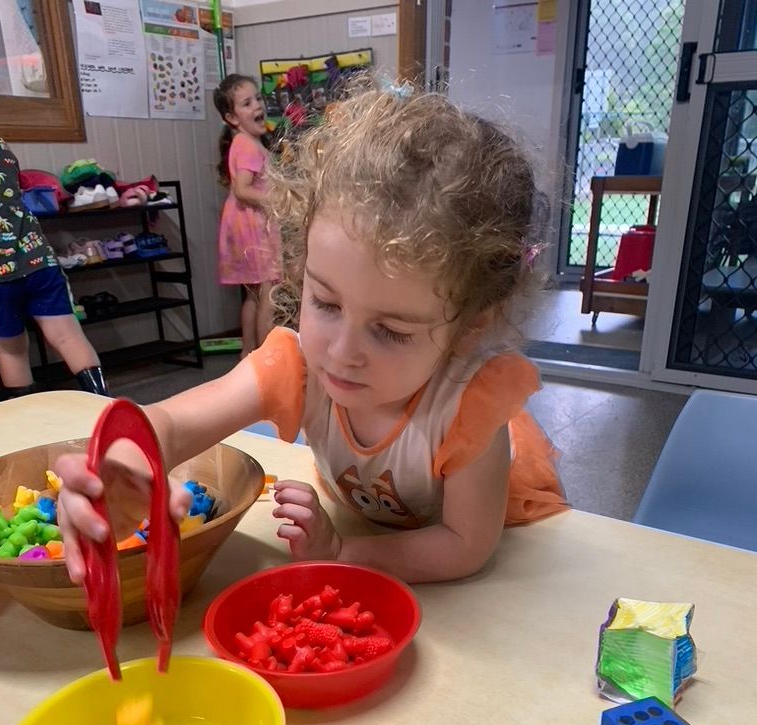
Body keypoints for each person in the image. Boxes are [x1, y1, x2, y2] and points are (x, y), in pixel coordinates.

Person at [56, 87, 568, 586]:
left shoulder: (470, 408)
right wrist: (119, 466)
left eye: (390, 331)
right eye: (325, 302)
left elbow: (463, 545)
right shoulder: (299, 363)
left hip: (489, 528)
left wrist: (344, 553)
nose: (341, 354)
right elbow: (165, 423)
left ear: (471, 322)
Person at [0, 129, 108, 399]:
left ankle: (30, 427)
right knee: (68, 336)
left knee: (11, 350)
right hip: (36, 257)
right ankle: (106, 409)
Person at [213, 74, 281, 356]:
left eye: (258, 99)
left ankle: (249, 352)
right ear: (232, 117)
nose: (257, 106)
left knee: (253, 293)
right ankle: (266, 354)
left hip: (243, 224)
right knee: (268, 290)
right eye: (247, 103)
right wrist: (280, 198)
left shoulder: (243, 142)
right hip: (253, 226)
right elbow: (242, 189)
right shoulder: (249, 146)